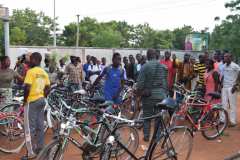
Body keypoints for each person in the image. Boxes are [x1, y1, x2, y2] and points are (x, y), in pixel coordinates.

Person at [21, 52, 50, 160]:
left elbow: (27, 87)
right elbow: (48, 88)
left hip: (32, 102)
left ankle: (30, 153)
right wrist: (43, 96)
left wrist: (24, 101)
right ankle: (41, 149)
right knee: (40, 127)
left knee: (29, 128)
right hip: (41, 100)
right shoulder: (43, 72)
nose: (28, 61)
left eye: (30, 59)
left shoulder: (31, 72)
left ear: (34, 60)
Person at [136, 49, 168, 142]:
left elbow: (140, 84)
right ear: (156, 56)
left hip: (148, 96)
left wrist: (139, 93)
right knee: (159, 117)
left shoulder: (145, 66)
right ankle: (157, 138)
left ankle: (146, 136)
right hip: (161, 96)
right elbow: (165, 84)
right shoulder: (163, 67)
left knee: (147, 116)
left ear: (147, 56)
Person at [221, 53, 240, 127]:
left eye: (226, 57)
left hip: (232, 87)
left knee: (232, 104)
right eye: (224, 57)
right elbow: (223, 76)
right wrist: (221, 84)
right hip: (224, 87)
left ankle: (233, 121)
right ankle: (223, 120)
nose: (225, 58)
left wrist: (236, 85)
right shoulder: (224, 66)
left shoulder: (235, 66)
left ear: (230, 58)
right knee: (223, 104)